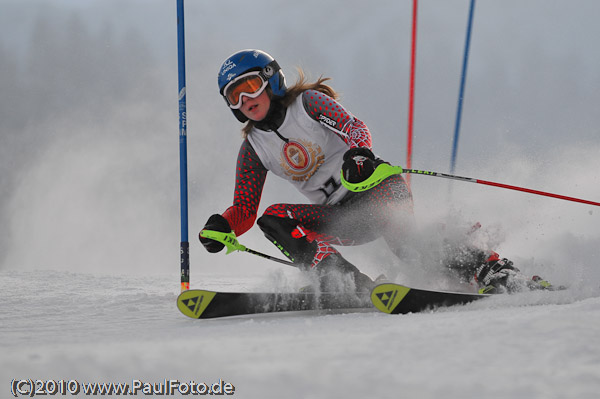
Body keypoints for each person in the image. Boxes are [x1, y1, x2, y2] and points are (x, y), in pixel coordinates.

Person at [199, 49, 553, 295]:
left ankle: (491, 268)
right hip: (342, 217)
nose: (245, 100)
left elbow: (354, 128)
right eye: (234, 96)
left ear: (270, 80)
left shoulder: (307, 104)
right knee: (274, 218)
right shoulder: (253, 150)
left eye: (249, 87)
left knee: (408, 247)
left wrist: (359, 154)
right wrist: (223, 226)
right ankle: (345, 283)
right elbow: (245, 210)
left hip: (378, 190)